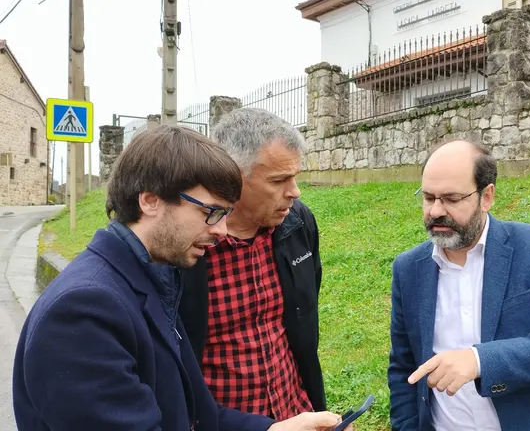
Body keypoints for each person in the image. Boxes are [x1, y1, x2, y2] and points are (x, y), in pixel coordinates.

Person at [13, 126, 344, 431]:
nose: (221, 231)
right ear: (150, 200)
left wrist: (273, 428)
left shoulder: (151, 279)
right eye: (209, 212)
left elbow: (193, 414)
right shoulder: (84, 310)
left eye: (225, 214)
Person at [387, 140, 530, 431]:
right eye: (428, 197)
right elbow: (403, 368)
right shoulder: (409, 269)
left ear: (487, 196)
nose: (435, 211)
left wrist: (479, 360)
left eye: (451, 198)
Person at [178, 108, 326, 420]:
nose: (294, 192)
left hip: (294, 415)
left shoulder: (298, 224)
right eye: (278, 180)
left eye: (295, 177)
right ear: (232, 177)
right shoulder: (186, 246)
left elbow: (303, 319)